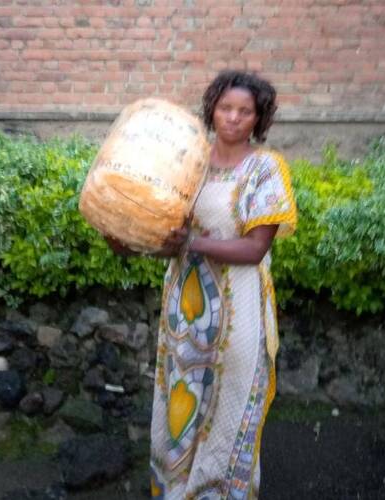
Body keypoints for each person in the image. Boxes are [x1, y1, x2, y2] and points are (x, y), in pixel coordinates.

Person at [108, 70, 297, 499]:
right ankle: (178, 489)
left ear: (259, 118)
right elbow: (165, 237)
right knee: (183, 393)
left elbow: (254, 249)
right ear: (212, 109)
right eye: (226, 108)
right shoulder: (189, 164)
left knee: (230, 399)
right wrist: (123, 232)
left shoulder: (264, 168)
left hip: (239, 308)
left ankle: (219, 492)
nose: (233, 118)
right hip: (187, 306)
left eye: (245, 111)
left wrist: (192, 243)